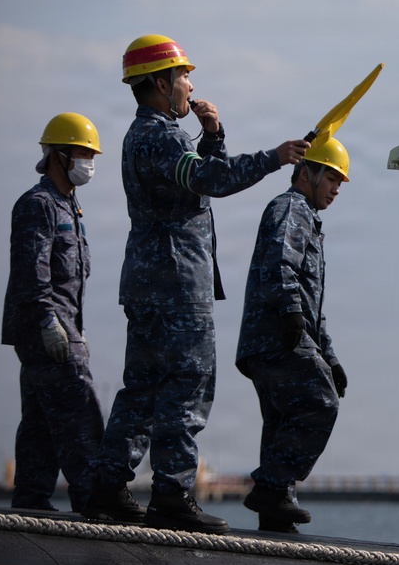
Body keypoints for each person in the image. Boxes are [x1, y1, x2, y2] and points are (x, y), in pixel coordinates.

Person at [81, 34, 311, 534]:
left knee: (141, 389)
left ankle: (108, 487)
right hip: (178, 284)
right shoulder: (162, 137)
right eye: (183, 76)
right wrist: (275, 157)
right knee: (188, 385)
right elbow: (213, 181)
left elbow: (195, 176)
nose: (190, 85)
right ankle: (172, 493)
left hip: (147, 283)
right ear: (162, 84)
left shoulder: (145, 135)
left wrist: (212, 136)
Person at [236, 137, 350, 534]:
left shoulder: (306, 217)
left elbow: (311, 304)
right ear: (306, 173)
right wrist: (289, 314)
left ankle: (275, 517)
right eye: (331, 178)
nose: (336, 189)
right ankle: (270, 488)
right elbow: (280, 264)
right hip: (277, 337)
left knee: (282, 421)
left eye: (340, 182)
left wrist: (330, 357)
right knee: (320, 403)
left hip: (273, 337)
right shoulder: (291, 209)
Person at [2, 113, 106, 514]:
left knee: (41, 425)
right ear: (57, 156)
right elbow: (32, 272)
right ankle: (93, 503)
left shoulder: (69, 208)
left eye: (90, 155)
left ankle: (30, 505)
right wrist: (49, 323)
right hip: (46, 331)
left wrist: (75, 329)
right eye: (82, 153)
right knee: (81, 419)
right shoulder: (38, 205)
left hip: (63, 329)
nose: (88, 162)